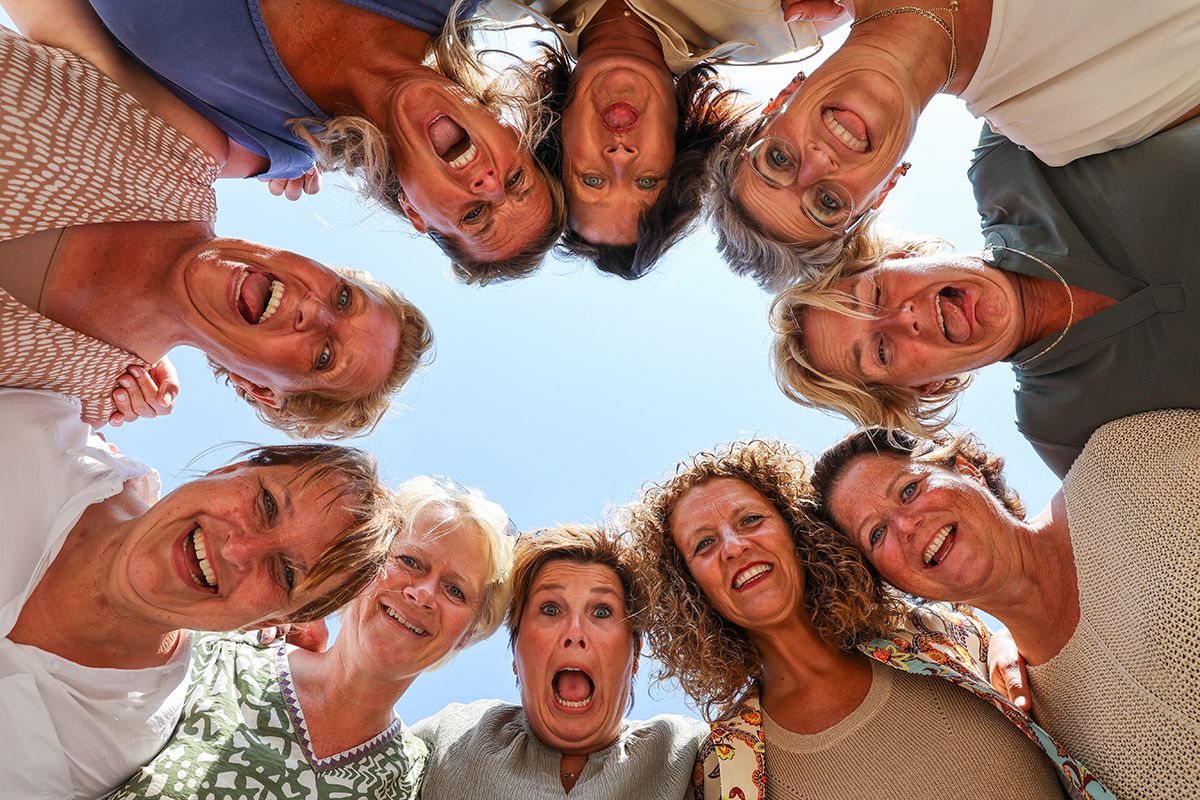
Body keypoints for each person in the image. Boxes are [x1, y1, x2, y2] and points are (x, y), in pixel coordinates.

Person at [0, 22, 431, 437]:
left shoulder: (74, 403)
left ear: (260, 390)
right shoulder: (176, 145)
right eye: (342, 297)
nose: (314, 313)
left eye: (324, 357)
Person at [626, 438, 1111, 799]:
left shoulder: (942, 637)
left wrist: (1005, 638)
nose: (734, 547)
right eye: (704, 544)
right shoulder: (724, 768)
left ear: (798, 535)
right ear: (689, 588)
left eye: (751, 520)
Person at [0, 387, 397, 799]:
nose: (238, 549)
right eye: (267, 504)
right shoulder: (34, 425)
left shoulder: (114, 744)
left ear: (268, 622)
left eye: (285, 574)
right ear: (229, 469)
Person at [17, 0, 564, 282]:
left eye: (474, 217)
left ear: (415, 212)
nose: (488, 184)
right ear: (511, 134)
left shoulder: (256, 147)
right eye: (516, 180)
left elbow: (67, 47)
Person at [770, 118, 1200, 476]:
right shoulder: (1071, 432)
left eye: (875, 293)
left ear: (897, 258)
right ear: (922, 386)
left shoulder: (1012, 155)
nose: (903, 317)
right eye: (881, 351)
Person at [813, 416, 1200, 800]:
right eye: (876, 534)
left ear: (966, 470)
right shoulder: (1020, 718)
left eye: (909, 489)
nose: (905, 526)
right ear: (891, 582)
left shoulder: (1125, 464)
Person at [706, 0, 1200, 289]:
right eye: (828, 203)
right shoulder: (1067, 122)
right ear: (881, 192)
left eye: (778, 159)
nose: (816, 164)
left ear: (780, 100)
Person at [109, 476, 516, 799]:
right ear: (362, 563)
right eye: (410, 561)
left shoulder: (408, 783)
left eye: (455, 590)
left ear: (467, 634)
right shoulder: (219, 655)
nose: (423, 593)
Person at [500, 0, 826, 279]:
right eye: (646, 182)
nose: (620, 156)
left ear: (556, 139)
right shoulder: (776, 27)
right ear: (678, 147)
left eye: (593, 179)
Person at [412, 524, 706, 799]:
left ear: (635, 654)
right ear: (516, 651)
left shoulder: (687, 752)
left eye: (602, 612)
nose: (574, 633)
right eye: (551, 609)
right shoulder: (449, 736)